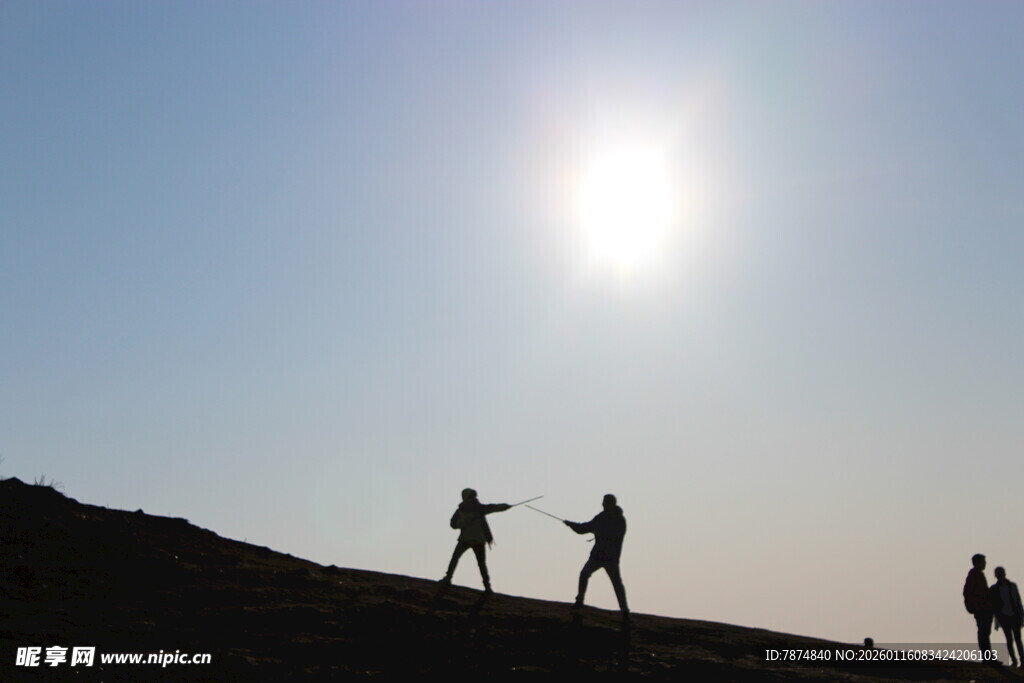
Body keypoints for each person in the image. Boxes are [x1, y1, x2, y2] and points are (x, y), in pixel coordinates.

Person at [565, 493, 628, 617]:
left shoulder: (619, 520)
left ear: (611, 504)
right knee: (584, 574)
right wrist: (572, 525)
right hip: (598, 556)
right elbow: (584, 528)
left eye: (605, 502)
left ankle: (624, 609)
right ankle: (579, 601)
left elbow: (613, 535)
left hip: (610, 558)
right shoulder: (602, 517)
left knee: (616, 583)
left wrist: (598, 531)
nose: (603, 505)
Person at [439, 488, 510, 593]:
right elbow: (453, 524)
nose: (474, 498)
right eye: (472, 496)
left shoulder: (474, 509)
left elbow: (493, 507)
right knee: (470, 561)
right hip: (470, 539)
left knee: (476, 562)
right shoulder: (473, 509)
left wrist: (503, 506)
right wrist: (462, 522)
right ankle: (486, 586)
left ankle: (487, 586)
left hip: (474, 540)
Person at [990, 566, 1024, 667]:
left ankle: (1021, 660)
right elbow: (994, 606)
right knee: (1010, 640)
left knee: (1017, 639)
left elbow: (1018, 601)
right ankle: (1014, 660)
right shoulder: (994, 589)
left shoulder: (1012, 586)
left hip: (1014, 616)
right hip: (1004, 617)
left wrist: (1022, 616)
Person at [964, 553, 994, 656]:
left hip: (983, 608)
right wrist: (976, 606)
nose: (985, 564)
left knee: (984, 632)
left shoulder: (977, 574)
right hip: (981, 609)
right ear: (977, 563)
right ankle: (987, 656)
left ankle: (988, 656)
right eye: (983, 562)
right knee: (983, 632)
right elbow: (969, 592)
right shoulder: (975, 575)